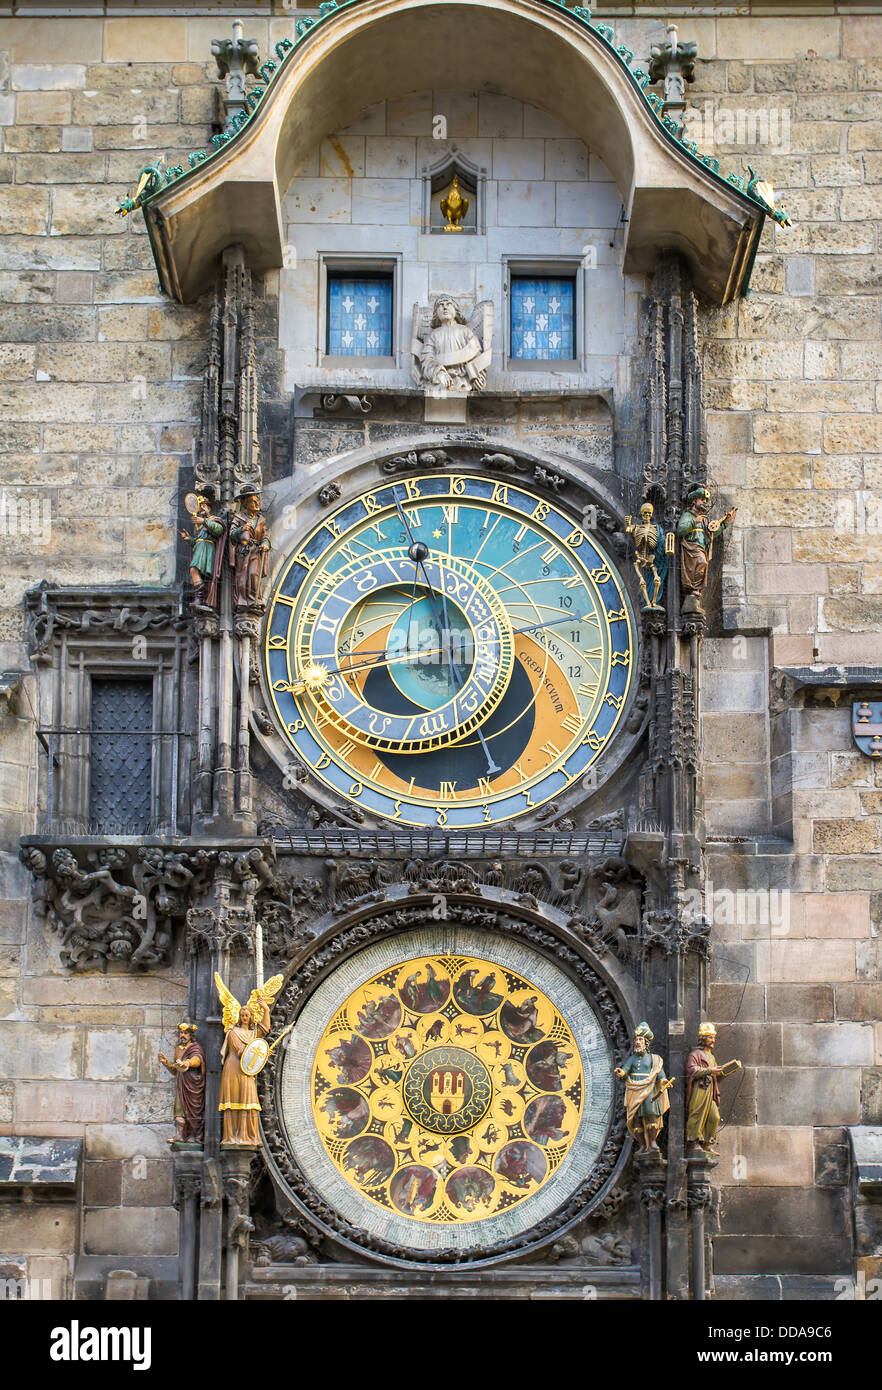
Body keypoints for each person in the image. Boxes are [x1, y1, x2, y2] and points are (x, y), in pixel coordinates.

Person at [219, 998, 269, 1146]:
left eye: (247, 1015)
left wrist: (265, 1009)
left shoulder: (254, 1033)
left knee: (249, 1100)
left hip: (247, 1070)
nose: (244, 1018)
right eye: (242, 1015)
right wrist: (261, 1052)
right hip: (234, 1068)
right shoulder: (233, 1033)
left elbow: (265, 1028)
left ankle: (249, 1136)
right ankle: (232, 1136)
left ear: (251, 1016)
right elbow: (240, 1051)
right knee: (234, 1100)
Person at [676, 486, 735, 611]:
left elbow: (710, 534)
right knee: (701, 562)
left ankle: (695, 590)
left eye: (705, 501)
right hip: (691, 548)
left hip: (702, 547)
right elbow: (680, 530)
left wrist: (724, 523)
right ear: (694, 501)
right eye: (701, 500)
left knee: (702, 564)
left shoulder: (704, 520)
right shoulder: (688, 515)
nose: (704, 502)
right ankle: (692, 590)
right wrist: (694, 522)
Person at [685, 1022, 741, 1155]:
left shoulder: (712, 1057)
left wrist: (725, 1071)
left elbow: (715, 1074)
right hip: (700, 1089)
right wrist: (710, 1070)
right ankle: (694, 1141)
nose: (713, 1040)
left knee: (714, 1116)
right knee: (697, 1113)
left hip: (710, 1089)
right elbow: (691, 1070)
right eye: (710, 1037)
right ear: (703, 1038)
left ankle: (707, 1143)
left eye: (713, 1037)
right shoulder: (696, 1054)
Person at [615, 1021, 671, 1152]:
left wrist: (663, 1081)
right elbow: (625, 1070)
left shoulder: (653, 1059)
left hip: (649, 1090)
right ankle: (641, 1144)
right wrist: (621, 1072)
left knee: (651, 1116)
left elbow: (659, 1073)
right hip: (634, 1090)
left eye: (640, 1039)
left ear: (646, 1043)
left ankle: (652, 1143)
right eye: (636, 1040)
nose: (637, 1042)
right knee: (636, 1120)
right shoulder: (633, 1059)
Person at [419, 295, 487, 392]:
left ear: (455, 310)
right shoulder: (433, 335)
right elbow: (427, 359)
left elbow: (476, 355)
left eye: (448, 304)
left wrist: (477, 376)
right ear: (436, 313)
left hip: (463, 381)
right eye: (441, 305)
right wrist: (438, 373)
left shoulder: (465, 331)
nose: (445, 307)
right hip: (441, 382)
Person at [158, 1019, 205, 1144]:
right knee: (179, 1110)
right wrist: (166, 1063)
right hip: (181, 1083)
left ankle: (194, 1136)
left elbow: (198, 1059)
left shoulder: (195, 1047)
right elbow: (176, 1070)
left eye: (185, 1033)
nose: (182, 1035)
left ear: (191, 1035)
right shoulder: (178, 1049)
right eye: (181, 1032)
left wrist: (187, 1063)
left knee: (193, 1110)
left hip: (193, 1084)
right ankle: (179, 1136)